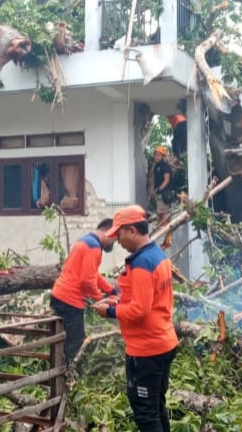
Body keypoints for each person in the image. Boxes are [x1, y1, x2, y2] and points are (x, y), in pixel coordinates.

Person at [93, 205, 178, 432]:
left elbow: (140, 310)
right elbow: (146, 300)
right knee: (156, 406)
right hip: (162, 341)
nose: (117, 241)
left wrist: (110, 312)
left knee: (145, 412)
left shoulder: (142, 264)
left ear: (132, 231)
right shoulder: (156, 256)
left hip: (147, 349)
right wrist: (118, 302)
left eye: (118, 235)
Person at [50, 218, 118, 366]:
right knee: (75, 342)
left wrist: (110, 289)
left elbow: (94, 274)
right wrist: (101, 299)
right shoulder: (94, 247)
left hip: (59, 295)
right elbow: (87, 281)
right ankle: (68, 375)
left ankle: (58, 371)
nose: (115, 242)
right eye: (115, 238)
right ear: (108, 231)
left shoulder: (84, 241)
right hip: (70, 301)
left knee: (61, 340)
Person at [150, 146, 174, 248]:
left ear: (163, 156)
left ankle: (167, 238)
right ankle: (162, 236)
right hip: (158, 195)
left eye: (159, 155)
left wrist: (159, 189)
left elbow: (166, 180)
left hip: (164, 195)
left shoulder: (165, 167)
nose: (156, 156)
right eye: (155, 154)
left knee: (165, 215)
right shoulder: (156, 166)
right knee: (160, 215)